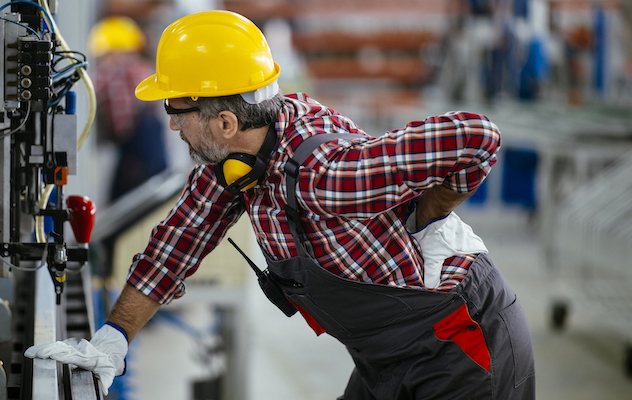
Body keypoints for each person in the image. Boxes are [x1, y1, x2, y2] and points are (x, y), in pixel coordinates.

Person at [27, 10, 535, 399]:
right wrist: (113, 339)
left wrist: (432, 212)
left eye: (176, 109)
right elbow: (175, 247)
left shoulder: (326, 174)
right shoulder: (237, 162)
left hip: (462, 346)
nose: (172, 125)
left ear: (225, 122)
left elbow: (476, 135)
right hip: (387, 356)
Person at [88, 16, 168, 201]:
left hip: (135, 151)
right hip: (152, 149)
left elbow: (121, 123)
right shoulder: (145, 70)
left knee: (123, 199)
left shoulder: (112, 75)